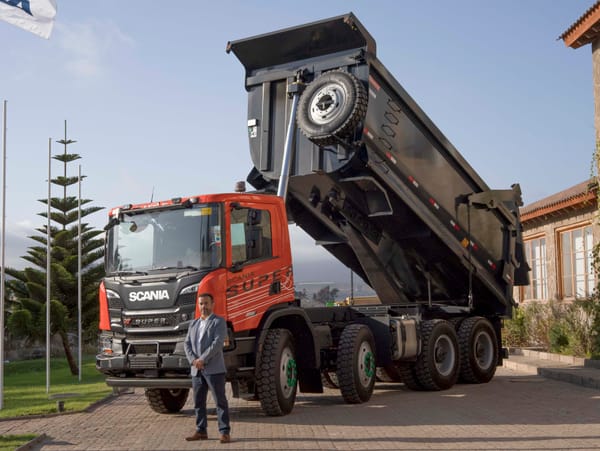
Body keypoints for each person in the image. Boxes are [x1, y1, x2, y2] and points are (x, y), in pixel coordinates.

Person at [184, 293, 231, 443]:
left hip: (214, 369)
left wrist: (202, 359)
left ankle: (224, 432)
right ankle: (201, 431)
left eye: (206, 303)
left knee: (220, 402)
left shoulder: (219, 322)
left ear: (212, 304)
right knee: (198, 402)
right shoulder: (193, 324)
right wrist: (193, 361)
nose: (203, 307)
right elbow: (187, 344)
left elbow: (217, 344)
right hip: (196, 369)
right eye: (201, 304)